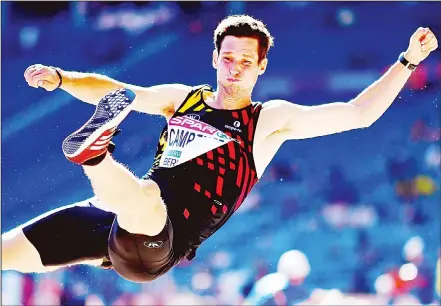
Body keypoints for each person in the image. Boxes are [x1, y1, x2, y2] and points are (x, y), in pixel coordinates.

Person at [2, 15, 438, 283]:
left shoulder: (268, 120)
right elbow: (118, 90)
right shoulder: (183, 98)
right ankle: (96, 155)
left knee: (147, 200)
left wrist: (407, 61)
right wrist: (62, 78)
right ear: (214, 57)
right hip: (110, 219)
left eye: (246, 62)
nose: (234, 69)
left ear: (262, 66)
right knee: (9, 254)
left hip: (159, 243)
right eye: (227, 58)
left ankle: (95, 154)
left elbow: (357, 113)